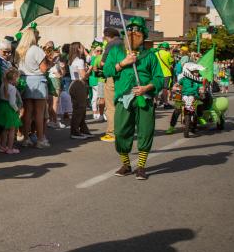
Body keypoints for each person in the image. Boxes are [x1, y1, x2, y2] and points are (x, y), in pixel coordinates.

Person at [102, 16, 164, 181]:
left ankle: (141, 167)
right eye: (130, 29)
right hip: (124, 99)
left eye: (137, 29)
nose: (132, 32)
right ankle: (126, 165)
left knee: (145, 132)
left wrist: (147, 87)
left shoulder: (150, 55)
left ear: (143, 33)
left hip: (144, 99)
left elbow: (159, 78)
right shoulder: (116, 51)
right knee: (121, 132)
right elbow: (107, 71)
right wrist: (123, 63)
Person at [17, 24, 53, 148]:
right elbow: (43, 69)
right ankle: (40, 139)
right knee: (39, 113)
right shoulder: (36, 49)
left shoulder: (20, 50)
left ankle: (26, 138)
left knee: (27, 112)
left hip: (25, 80)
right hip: (37, 81)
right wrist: (50, 63)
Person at [68, 42, 92, 139]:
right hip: (79, 85)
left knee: (80, 109)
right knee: (79, 109)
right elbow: (83, 76)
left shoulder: (73, 60)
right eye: (82, 47)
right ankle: (75, 132)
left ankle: (83, 130)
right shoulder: (79, 61)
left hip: (74, 84)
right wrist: (90, 69)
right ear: (78, 49)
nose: (84, 48)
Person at [0, 68, 22, 154]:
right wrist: (17, 110)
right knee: (12, 130)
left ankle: (3, 146)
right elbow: (12, 102)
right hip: (9, 109)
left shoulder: (3, 85)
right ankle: (10, 148)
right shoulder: (12, 88)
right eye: (18, 78)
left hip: (2, 107)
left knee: (5, 129)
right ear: (14, 78)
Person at [155, 42, 174, 108]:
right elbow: (171, 62)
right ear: (167, 48)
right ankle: (165, 103)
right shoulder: (168, 53)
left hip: (157, 73)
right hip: (166, 73)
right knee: (165, 89)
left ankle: (155, 102)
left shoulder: (156, 53)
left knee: (156, 88)